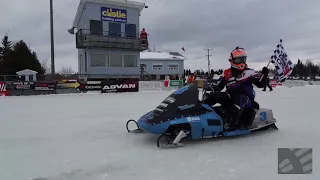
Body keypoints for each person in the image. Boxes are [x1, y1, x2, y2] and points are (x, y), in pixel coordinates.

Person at [205, 46, 269, 130]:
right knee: (214, 96)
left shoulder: (250, 72)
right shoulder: (227, 73)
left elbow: (260, 83)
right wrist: (213, 89)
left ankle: (231, 123)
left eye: (243, 59)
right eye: (239, 59)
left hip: (246, 101)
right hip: (230, 97)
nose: (241, 62)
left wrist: (264, 76)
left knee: (239, 98)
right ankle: (200, 113)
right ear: (232, 60)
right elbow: (220, 85)